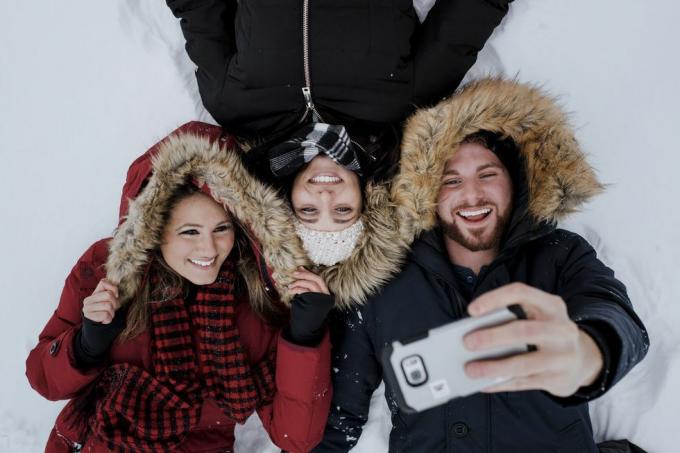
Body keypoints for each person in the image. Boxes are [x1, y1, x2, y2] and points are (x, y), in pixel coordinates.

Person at [313, 78, 649, 452]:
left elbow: (617, 319)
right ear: (427, 192)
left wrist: (586, 353)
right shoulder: (383, 278)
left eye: (487, 174)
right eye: (451, 180)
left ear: (515, 181)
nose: (472, 194)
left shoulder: (559, 255)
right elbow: (338, 420)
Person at [25, 122, 335, 453]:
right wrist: (86, 345)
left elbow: (296, 437)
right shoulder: (107, 268)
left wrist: (305, 340)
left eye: (221, 228)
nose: (209, 249)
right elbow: (43, 378)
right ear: (154, 230)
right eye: (190, 232)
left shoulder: (257, 292)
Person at [165, 0, 514, 140]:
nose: (325, 196)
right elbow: (462, 24)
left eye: (310, 212)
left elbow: (201, 11)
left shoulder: (235, 106)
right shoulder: (398, 104)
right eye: (342, 212)